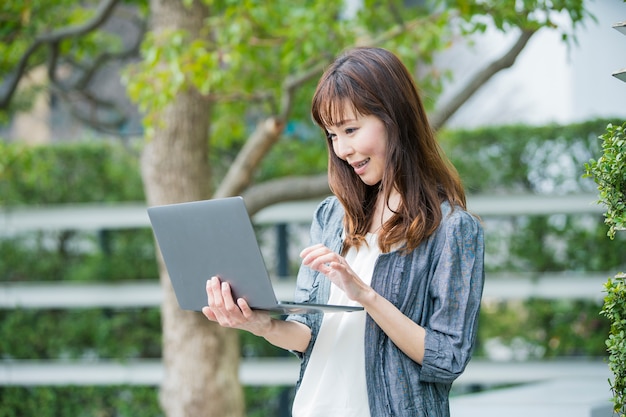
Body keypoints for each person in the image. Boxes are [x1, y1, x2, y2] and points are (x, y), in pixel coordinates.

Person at [202, 47, 485, 417]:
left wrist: (365, 295)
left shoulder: (453, 231)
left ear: (395, 118)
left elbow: (447, 358)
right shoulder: (332, 215)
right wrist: (260, 324)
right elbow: (310, 335)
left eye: (351, 130)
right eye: (333, 135)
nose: (343, 149)